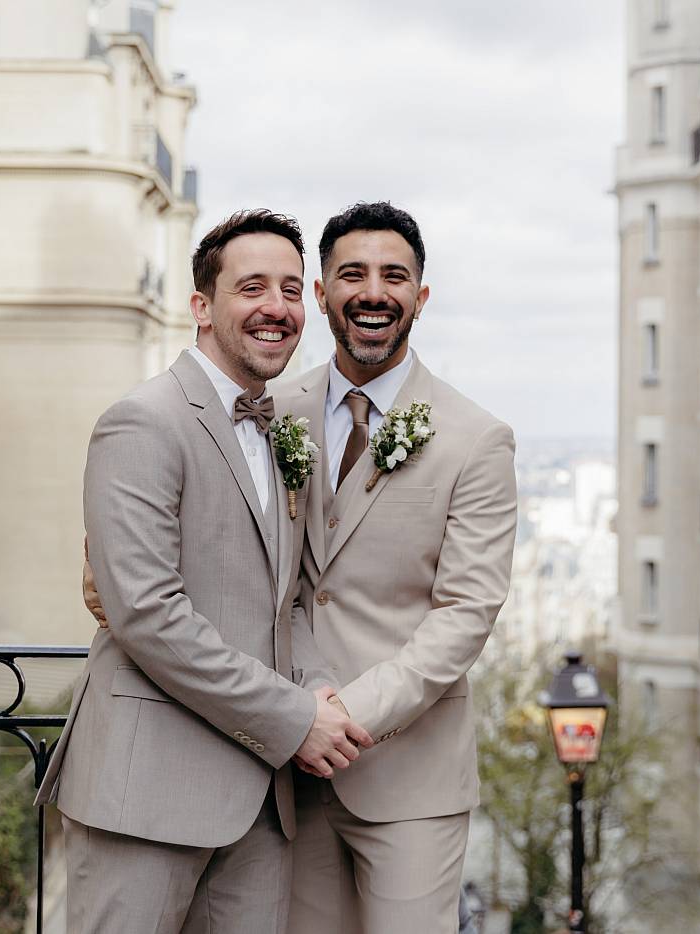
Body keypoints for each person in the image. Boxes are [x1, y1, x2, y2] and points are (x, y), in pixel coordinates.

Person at [34, 209, 372, 934]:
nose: (275, 308)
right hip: (146, 793)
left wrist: (314, 684)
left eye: (289, 290)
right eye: (252, 287)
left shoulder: (278, 430)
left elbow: (283, 602)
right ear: (201, 306)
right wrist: (293, 720)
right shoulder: (142, 421)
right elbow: (147, 614)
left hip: (258, 805)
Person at [280, 202, 517, 933]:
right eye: (352, 275)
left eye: (394, 276)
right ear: (320, 294)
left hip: (408, 779)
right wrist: (299, 708)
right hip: (284, 763)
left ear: (420, 295)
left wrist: (346, 719)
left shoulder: (475, 438)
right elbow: (274, 582)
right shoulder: (270, 413)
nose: (372, 292)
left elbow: (465, 614)